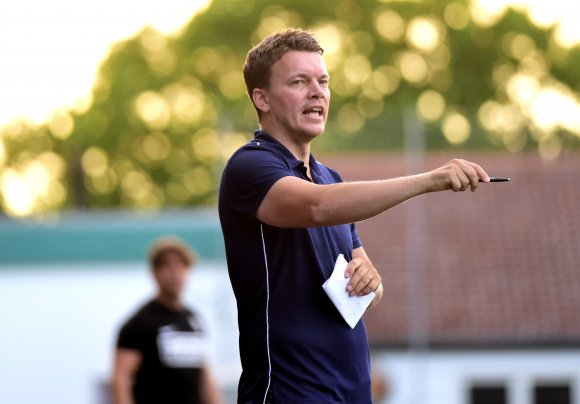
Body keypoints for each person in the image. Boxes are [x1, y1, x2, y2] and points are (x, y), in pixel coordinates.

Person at [218, 28, 490, 403]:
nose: (318, 92)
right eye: (299, 82)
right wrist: (431, 179)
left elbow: (368, 285)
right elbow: (317, 207)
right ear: (261, 98)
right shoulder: (250, 166)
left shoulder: (331, 178)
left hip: (351, 392)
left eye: (323, 81)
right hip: (287, 392)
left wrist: (370, 282)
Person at [110, 236, 222, 404]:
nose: (174, 274)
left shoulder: (194, 320)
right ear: (154, 272)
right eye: (166, 266)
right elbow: (120, 380)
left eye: (180, 266)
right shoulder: (139, 323)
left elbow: (204, 376)